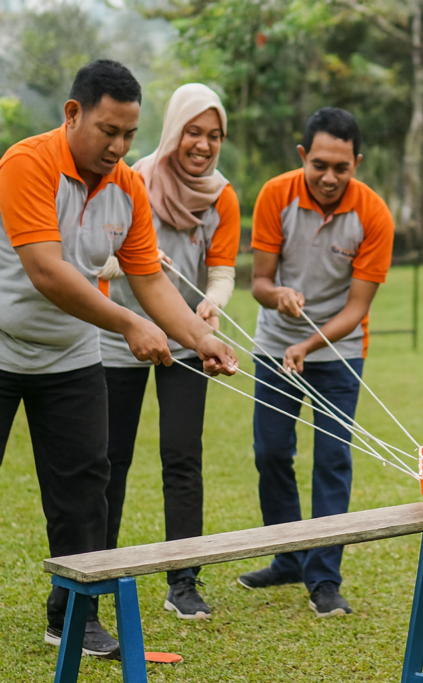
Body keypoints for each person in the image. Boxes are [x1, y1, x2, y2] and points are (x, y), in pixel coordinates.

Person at [0, 60, 236, 659]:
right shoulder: (26, 163)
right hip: (2, 348)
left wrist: (198, 338)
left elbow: (150, 279)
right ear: (72, 114)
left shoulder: (128, 187)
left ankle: (74, 620)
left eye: (129, 134)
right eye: (108, 130)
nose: (120, 146)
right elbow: (46, 271)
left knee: (85, 492)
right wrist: (130, 323)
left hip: (71, 358)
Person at [237, 107, 394, 618]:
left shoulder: (374, 214)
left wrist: (310, 346)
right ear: (303, 155)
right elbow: (258, 282)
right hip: (275, 346)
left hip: (339, 353)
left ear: (357, 163)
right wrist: (277, 294)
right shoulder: (275, 195)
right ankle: (288, 556)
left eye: (341, 168)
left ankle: (324, 578)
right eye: (320, 164)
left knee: (332, 461)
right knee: (271, 452)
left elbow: (357, 308)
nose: (329, 177)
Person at [98, 83, 241, 620]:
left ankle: (183, 582)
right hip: (122, 337)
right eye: (194, 132)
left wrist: (212, 306)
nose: (203, 145)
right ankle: (99, 575)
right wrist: (134, 261)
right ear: (173, 130)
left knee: (183, 458)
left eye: (215, 136)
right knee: (110, 461)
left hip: (187, 342)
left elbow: (221, 273)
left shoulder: (222, 194)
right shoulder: (132, 180)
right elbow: (100, 262)